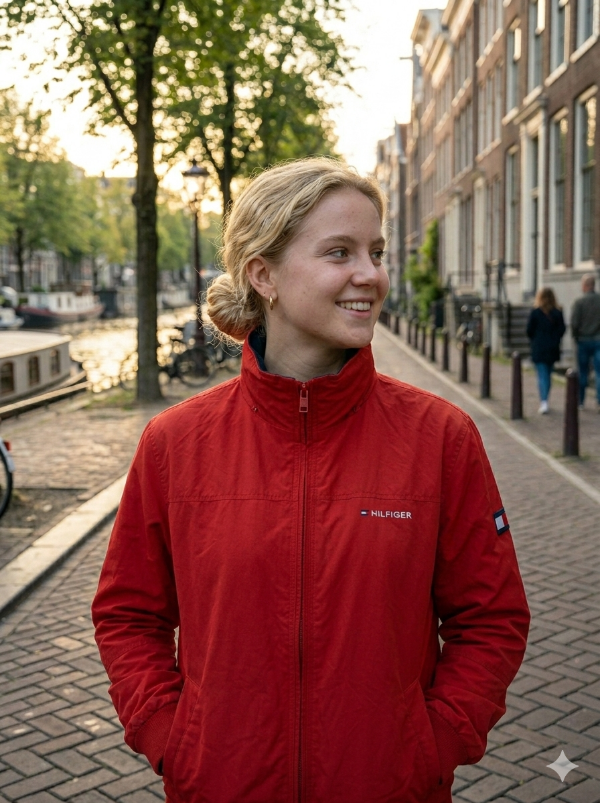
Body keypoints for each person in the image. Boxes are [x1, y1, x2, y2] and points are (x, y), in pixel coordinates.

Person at [92, 158, 529, 803]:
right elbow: (128, 615)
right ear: (263, 275)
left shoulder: (441, 437)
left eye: (376, 253)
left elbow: (491, 618)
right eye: (339, 252)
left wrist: (430, 745)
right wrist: (173, 738)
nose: (371, 275)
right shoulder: (174, 444)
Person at [526, 287, 566, 414]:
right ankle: (545, 398)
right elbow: (562, 329)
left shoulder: (535, 312)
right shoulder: (557, 313)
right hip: (552, 348)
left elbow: (529, 330)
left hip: (539, 348)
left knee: (542, 375)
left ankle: (544, 401)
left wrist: (536, 339)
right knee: (548, 374)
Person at [571, 273, 600, 410]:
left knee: (583, 372)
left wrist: (575, 336)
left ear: (585, 286)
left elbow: (574, 323)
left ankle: (581, 401)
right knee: (599, 372)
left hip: (583, 341)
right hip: (598, 340)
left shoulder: (579, 303)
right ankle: (599, 401)